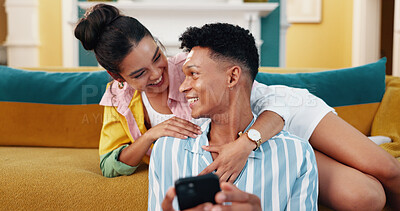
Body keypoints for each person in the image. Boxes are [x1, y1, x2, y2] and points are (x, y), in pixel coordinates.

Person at [74, 4, 400, 210]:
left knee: (389, 170)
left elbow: (255, 98)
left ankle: (364, 147)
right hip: (274, 143)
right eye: (140, 73)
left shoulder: (188, 65)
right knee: (365, 196)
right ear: (117, 76)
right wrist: (149, 136)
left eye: (157, 57)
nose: (159, 74)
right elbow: (110, 162)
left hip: (283, 112)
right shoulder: (119, 101)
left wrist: (246, 142)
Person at [148, 23, 318, 211]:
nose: (182, 87)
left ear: (232, 77)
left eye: (193, 74)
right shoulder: (166, 151)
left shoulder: (296, 154)